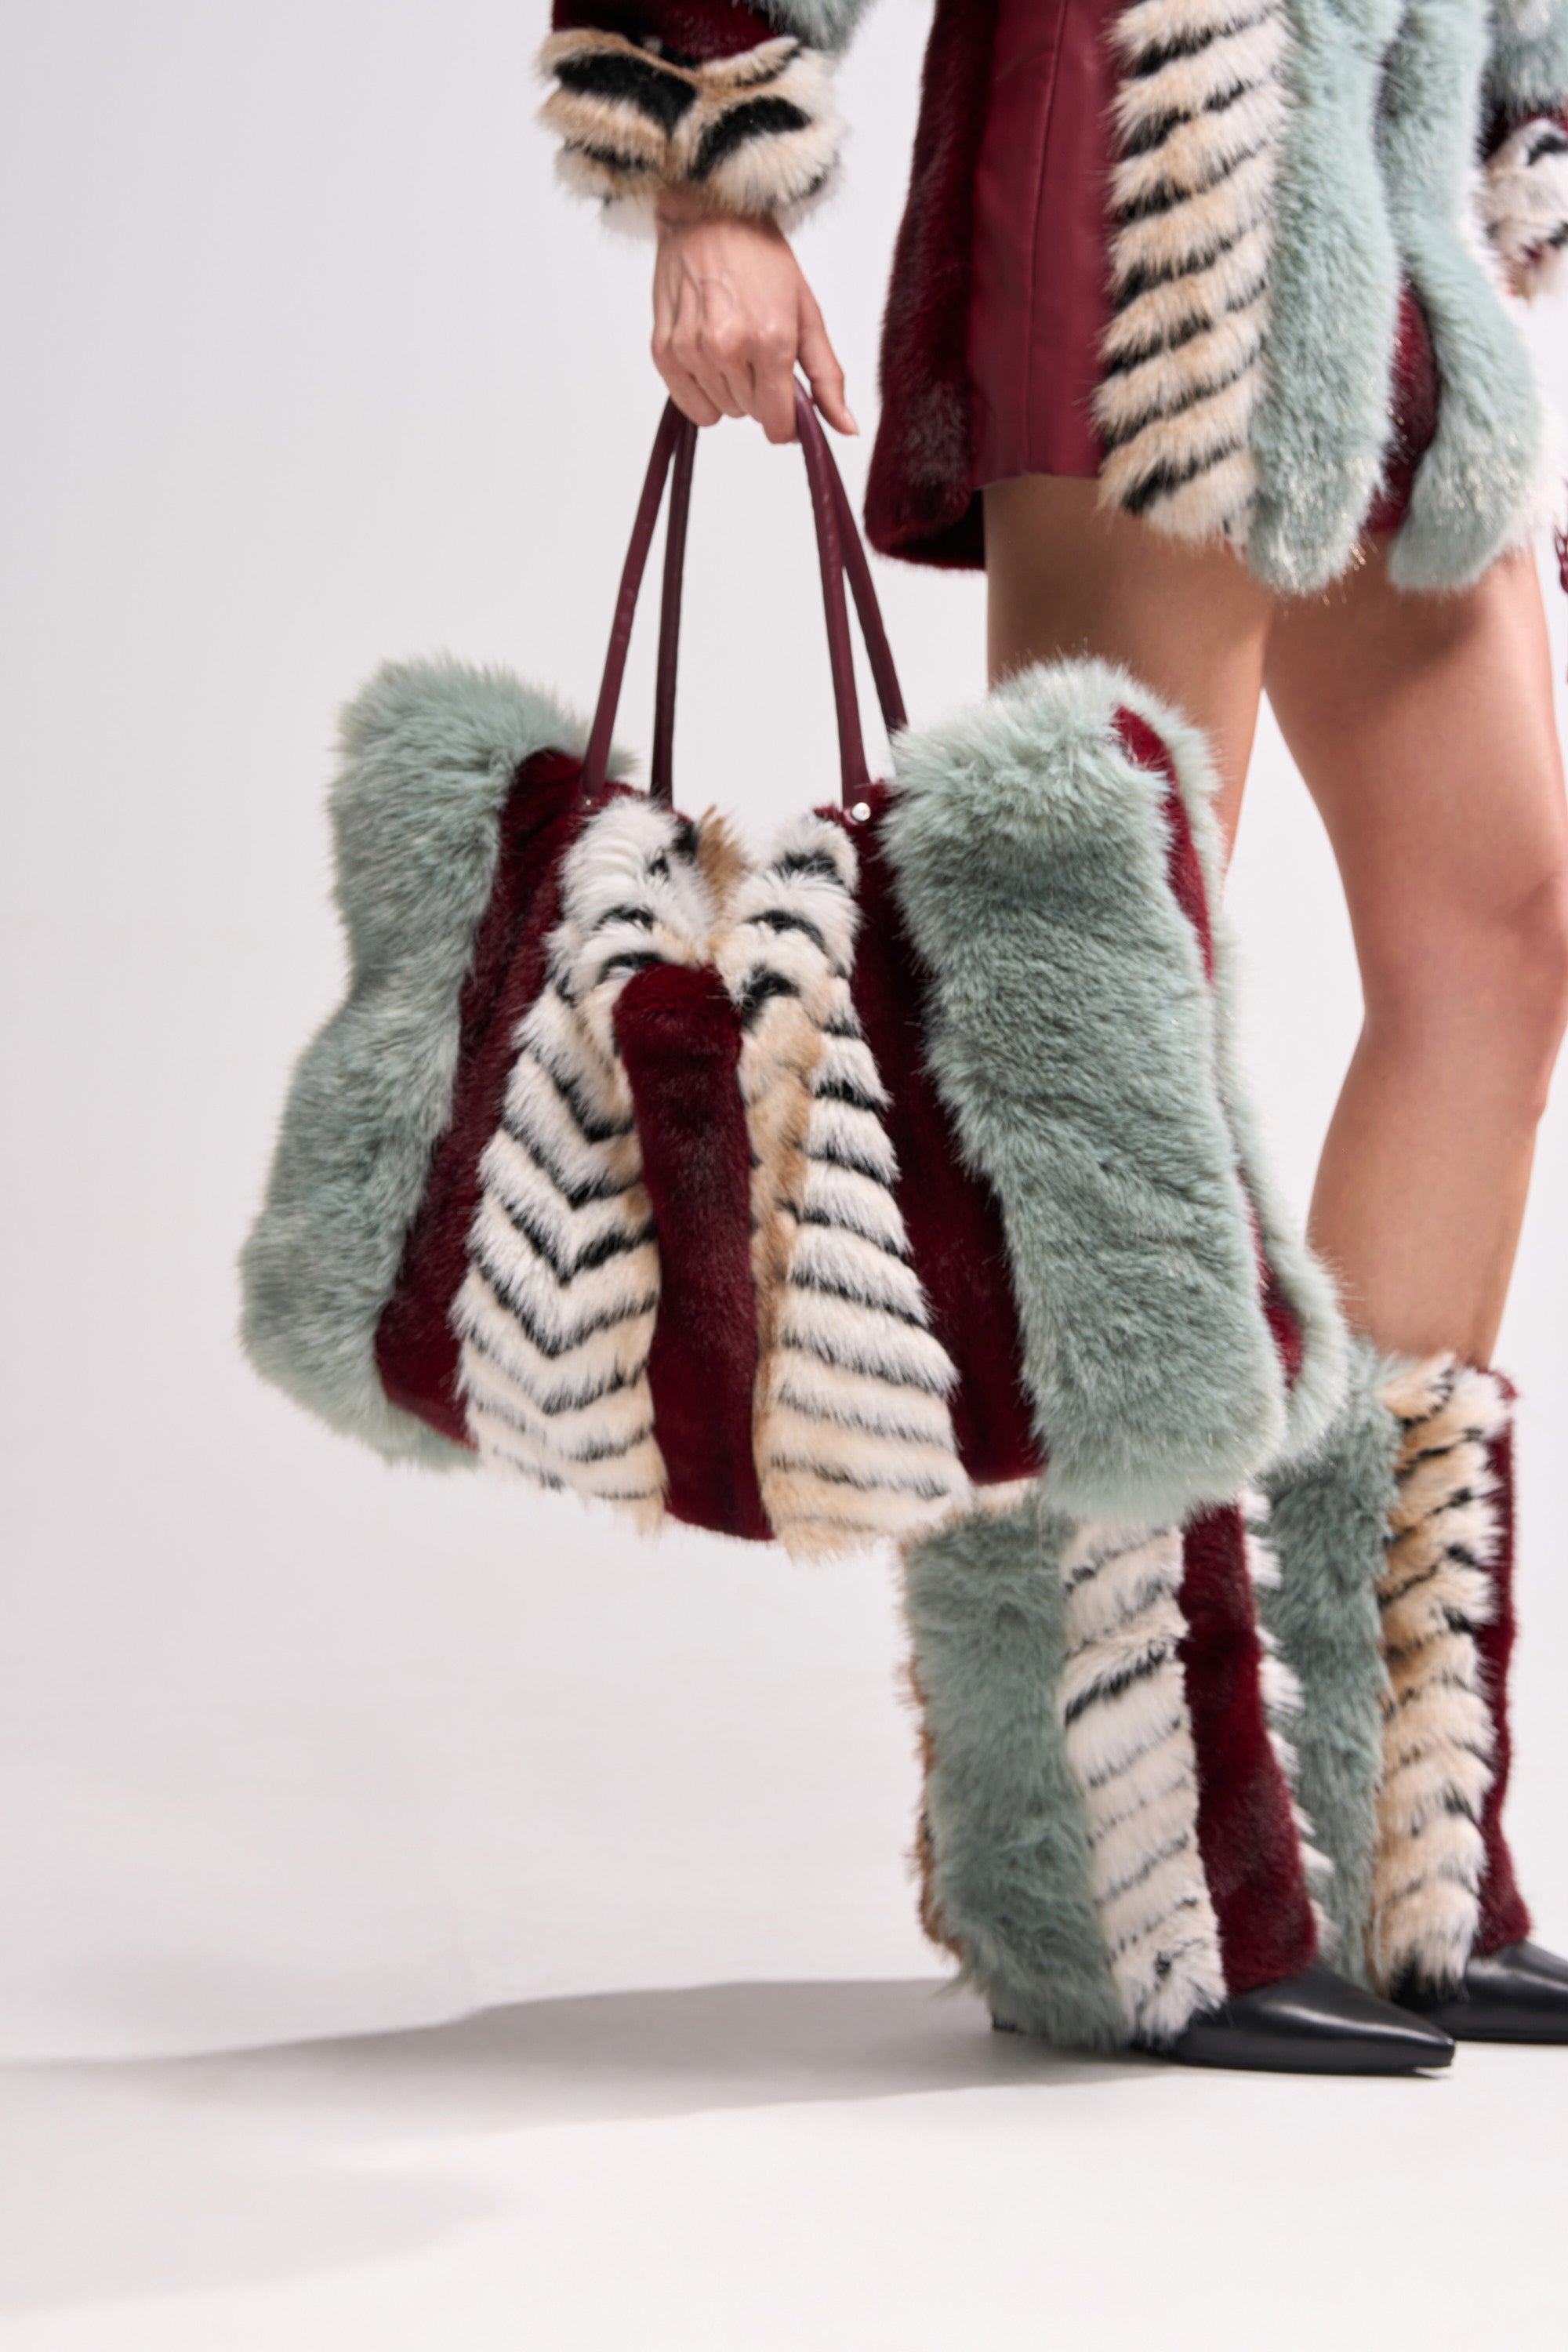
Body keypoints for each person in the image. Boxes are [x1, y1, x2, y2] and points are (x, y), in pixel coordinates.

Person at [536, 0, 1568, 2050]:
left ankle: (1381, 1830)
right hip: (1158, 165)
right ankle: (1124, 1863)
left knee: (1506, 929)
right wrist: (707, 158)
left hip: (1400, 171)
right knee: (1111, 983)